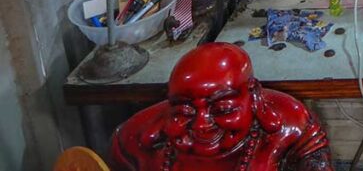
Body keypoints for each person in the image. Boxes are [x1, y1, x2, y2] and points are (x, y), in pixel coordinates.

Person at [110, 43, 331, 170]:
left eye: (223, 110)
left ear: (253, 95)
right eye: (185, 112)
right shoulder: (133, 139)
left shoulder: (294, 127)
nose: (201, 124)